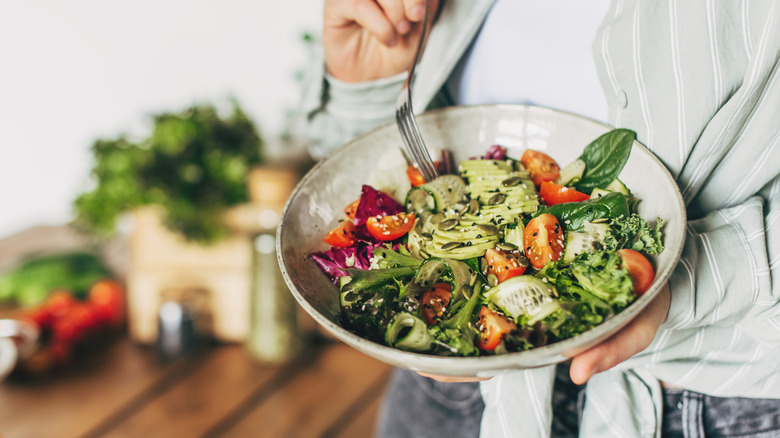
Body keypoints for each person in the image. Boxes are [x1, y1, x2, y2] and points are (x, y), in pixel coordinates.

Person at [302, 0, 780, 436]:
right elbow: (360, 176)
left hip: (711, 403)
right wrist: (369, 84)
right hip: (452, 390)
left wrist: (694, 273)